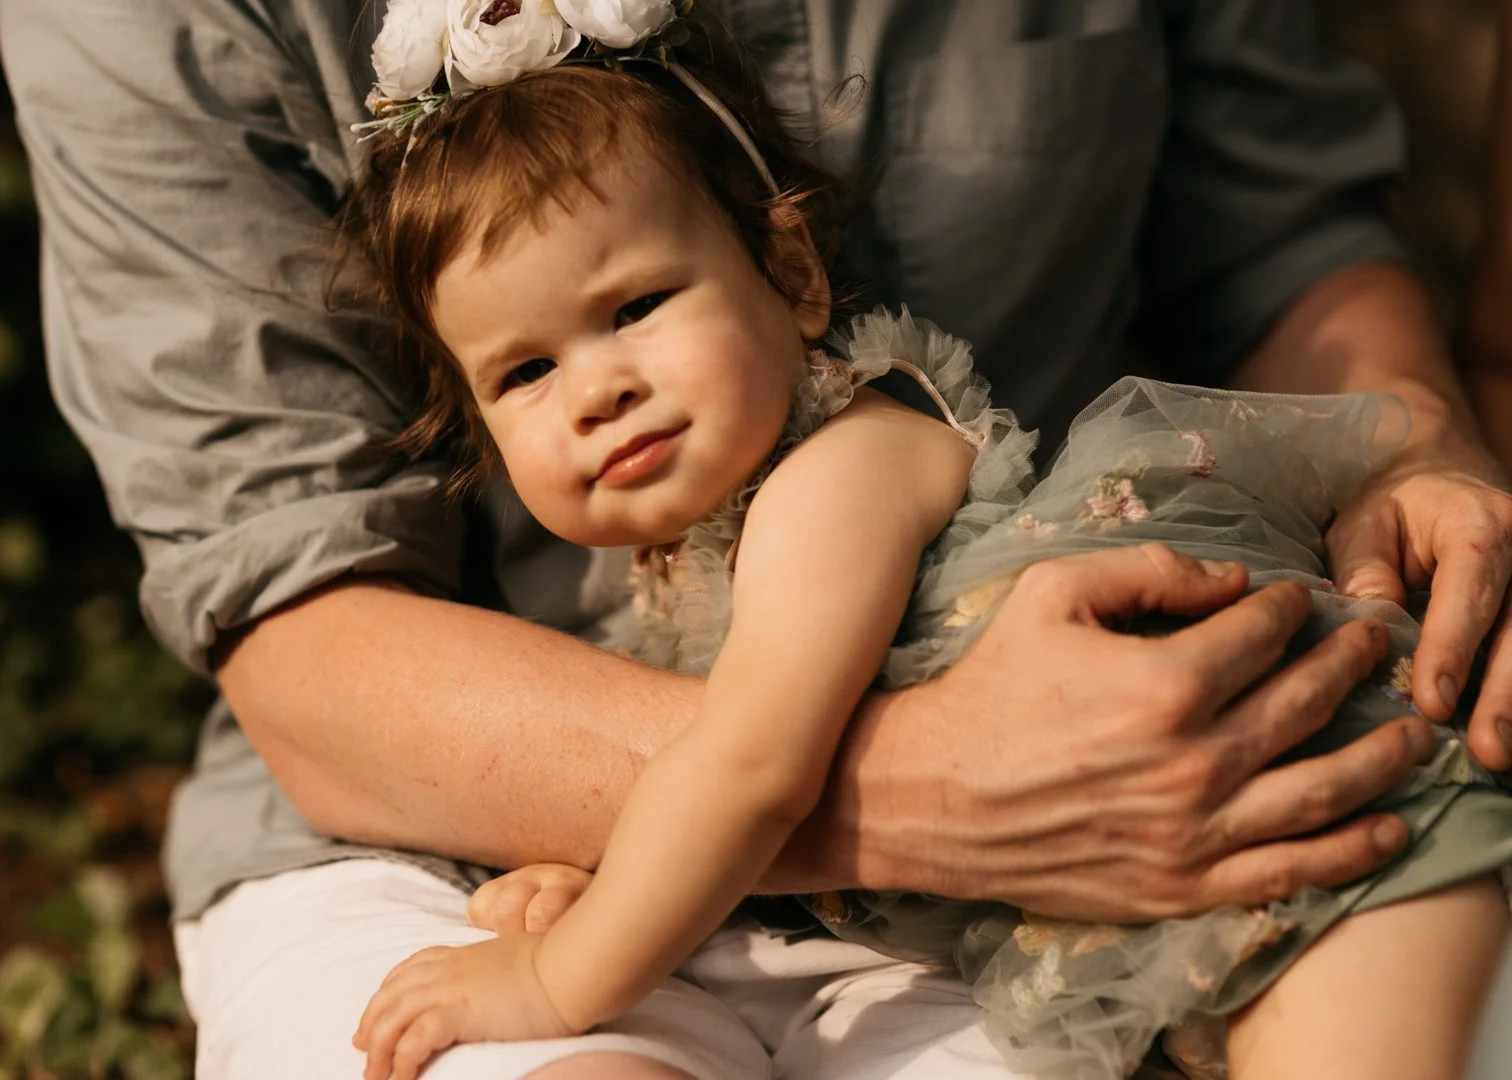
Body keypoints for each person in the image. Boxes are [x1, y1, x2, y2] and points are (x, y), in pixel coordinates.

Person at [5, 1, 1512, 1076]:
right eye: (521, 375)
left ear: (792, 274)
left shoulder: (842, 467)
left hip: (1286, 817)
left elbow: (748, 765)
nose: (596, 390)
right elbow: (295, 579)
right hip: (932, 872)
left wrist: (559, 971)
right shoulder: (705, 531)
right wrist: (597, 881)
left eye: (637, 306)